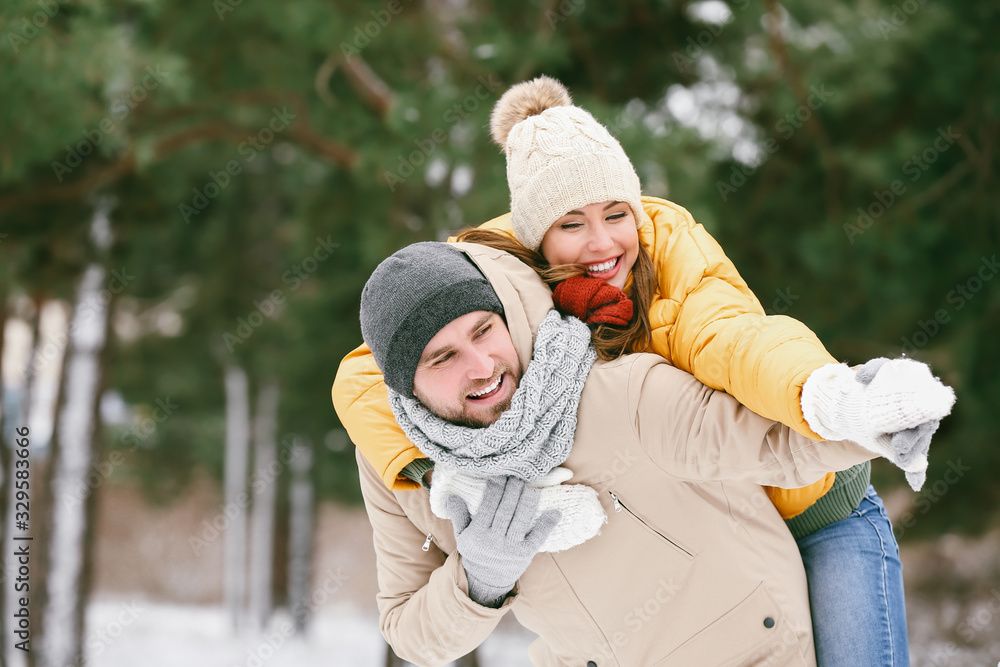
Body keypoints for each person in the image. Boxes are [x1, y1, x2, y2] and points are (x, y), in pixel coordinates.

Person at [334, 76, 951, 663]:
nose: (602, 244)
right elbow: (369, 372)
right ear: (530, 242)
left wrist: (843, 401)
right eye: (570, 224)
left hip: (816, 502)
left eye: (616, 214)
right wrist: (447, 477)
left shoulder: (662, 273)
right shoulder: (498, 298)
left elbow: (738, 341)